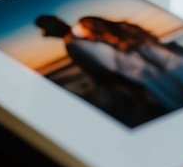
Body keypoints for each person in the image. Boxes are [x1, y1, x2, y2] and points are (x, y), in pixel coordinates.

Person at [77, 15, 183, 103]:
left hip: (158, 71)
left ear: (90, 28)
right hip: (172, 59)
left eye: (84, 30)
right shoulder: (126, 27)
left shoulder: (107, 44)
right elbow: (153, 41)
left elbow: (132, 65)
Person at [34, 15, 166, 125]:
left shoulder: (77, 38)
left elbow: (104, 66)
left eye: (44, 28)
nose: (45, 33)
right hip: (130, 79)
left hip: (129, 80)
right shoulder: (78, 35)